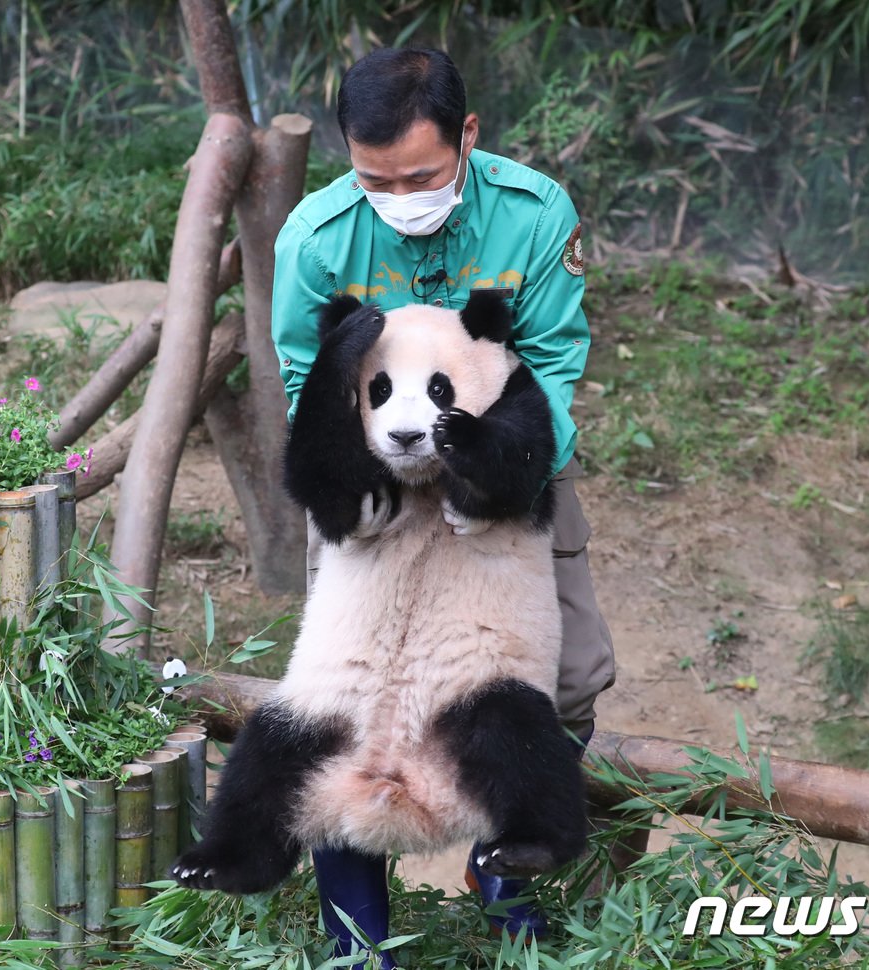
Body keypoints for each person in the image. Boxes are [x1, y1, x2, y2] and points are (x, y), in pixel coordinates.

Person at [269, 47, 616, 965]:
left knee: (571, 678)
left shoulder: (535, 217)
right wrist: (356, 486)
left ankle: (506, 875)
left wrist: (497, 480)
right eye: (373, 178)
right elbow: (309, 383)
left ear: (467, 136)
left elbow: (552, 373)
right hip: (372, 477)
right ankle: (358, 936)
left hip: (499, 468)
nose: (398, 195)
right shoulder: (314, 237)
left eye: (420, 177)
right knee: (346, 698)